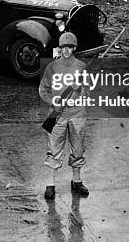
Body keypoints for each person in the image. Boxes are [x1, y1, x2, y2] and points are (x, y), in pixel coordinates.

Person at [39, 32, 90, 200]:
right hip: (58, 114)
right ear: (59, 49)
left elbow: (88, 91)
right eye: (63, 48)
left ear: (74, 48)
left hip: (77, 114)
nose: (66, 51)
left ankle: (77, 181)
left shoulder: (81, 66)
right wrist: (53, 101)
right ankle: (50, 184)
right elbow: (43, 89)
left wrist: (79, 88)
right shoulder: (52, 67)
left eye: (69, 47)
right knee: (54, 149)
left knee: (78, 148)